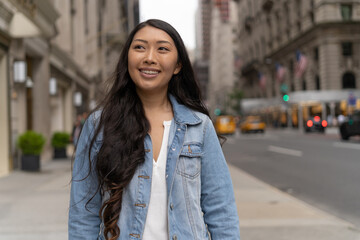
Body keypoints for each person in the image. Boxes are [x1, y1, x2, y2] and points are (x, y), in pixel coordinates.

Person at [68, 19, 240, 240]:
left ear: (178, 65)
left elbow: (221, 211)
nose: (149, 58)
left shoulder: (199, 126)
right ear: (127, 58)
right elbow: (83, 212)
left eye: (162, 49)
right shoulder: (98, 125)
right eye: (139, 47)